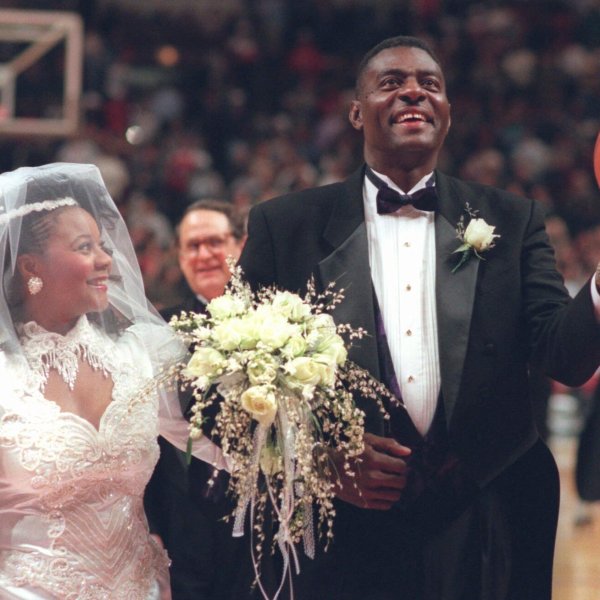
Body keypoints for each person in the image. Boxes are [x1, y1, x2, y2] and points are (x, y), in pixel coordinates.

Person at [238, 36, 600, 600]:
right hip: (344, 527)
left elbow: (566, 358)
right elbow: (228, 389)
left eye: (430, 84)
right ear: (356, 114)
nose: (414, 90)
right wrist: (319, 458)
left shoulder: (513, 218)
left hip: (489, 515)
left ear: (448, 116)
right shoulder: (284, 228)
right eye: (391, 82)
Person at [0, 163, 228, 599]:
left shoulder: (143, 356)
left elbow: (219, 445)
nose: (106, 260)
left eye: (102, 246)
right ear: (31, 266)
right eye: (85, 247)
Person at [144, 199, 247, 599]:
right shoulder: (159, 331)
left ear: (241, 244)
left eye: (215, 242)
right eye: (192, 245)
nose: (203, 254)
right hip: (184, 527)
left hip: (265, 526)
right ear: (180, 257)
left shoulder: (284, 320)